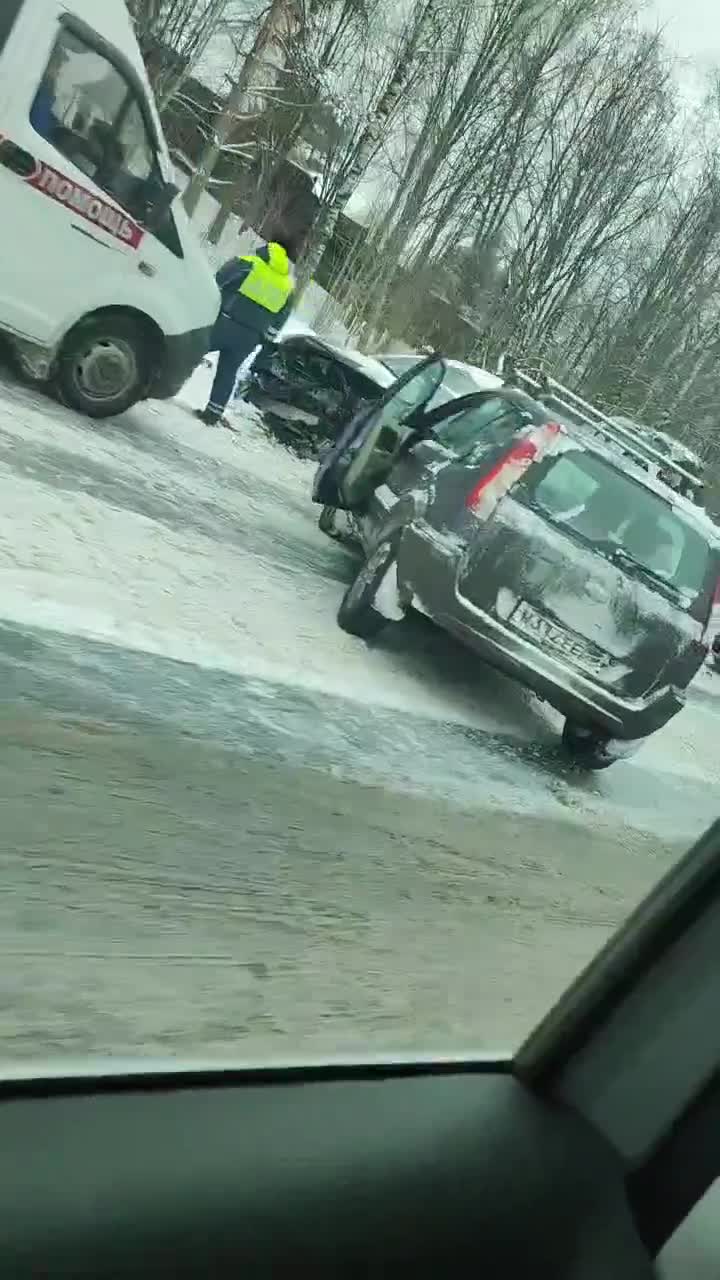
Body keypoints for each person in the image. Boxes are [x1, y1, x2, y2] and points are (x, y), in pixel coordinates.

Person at [195, 235, 297, 427]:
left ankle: (158, 380)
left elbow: (220, 279)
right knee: (228, 372)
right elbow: (281, 318)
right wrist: (265, 339)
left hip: (226, 323)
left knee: (192, 348)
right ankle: (213, 413)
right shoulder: (287, 286)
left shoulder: (250, 263)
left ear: (266, 251)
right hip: (250, 337)